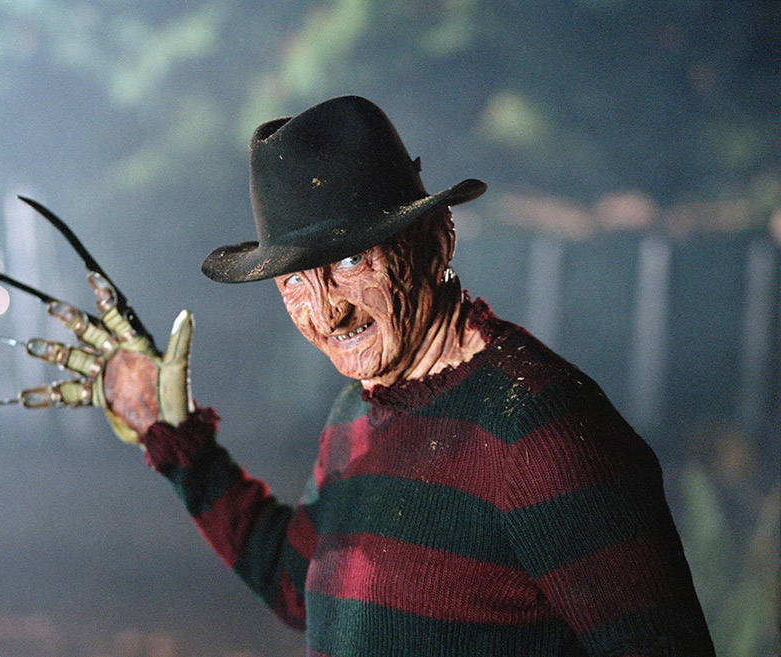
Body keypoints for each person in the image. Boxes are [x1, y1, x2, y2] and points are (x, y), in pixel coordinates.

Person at [100, 96, 716, 656]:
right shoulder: (358, 409)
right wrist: (177, 437)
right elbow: (301, 586)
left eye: (350, 259)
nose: (328, 312)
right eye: (294, 280)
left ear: (438, 239)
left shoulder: (540, 434)